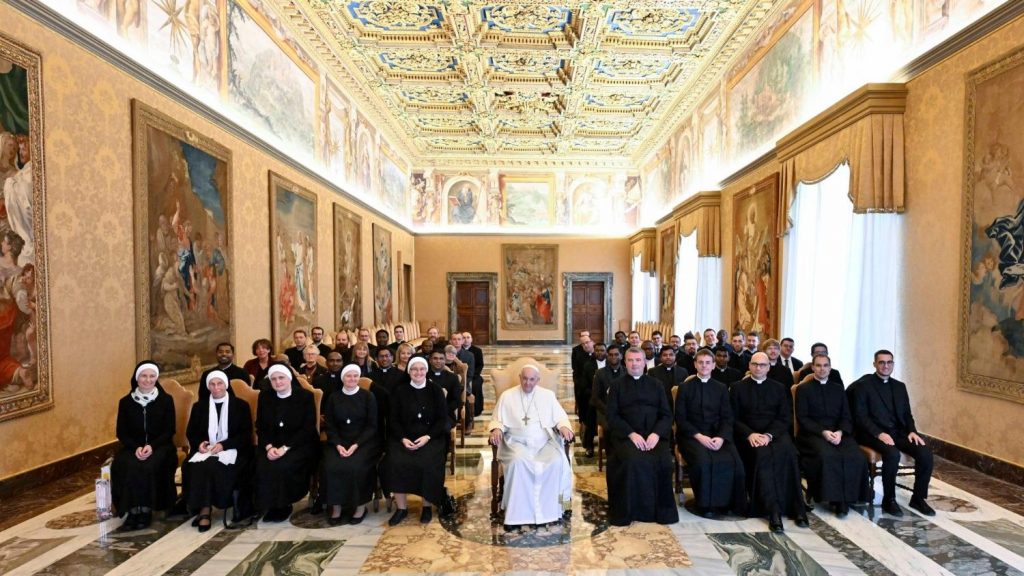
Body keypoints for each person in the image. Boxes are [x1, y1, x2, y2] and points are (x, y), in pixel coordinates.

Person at [488, 365, 574, 529]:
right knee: (517, 463)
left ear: (538, 380)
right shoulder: (507, 396)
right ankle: (516, 516)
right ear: (520, 378)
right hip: (516, 443)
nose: (528, 383)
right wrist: (497, 429)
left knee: (557, 461)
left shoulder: (547, 395)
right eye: (525, 379)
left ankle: (552, 511)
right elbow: (498, 419)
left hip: (544, 444)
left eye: (532, 379)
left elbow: (560, 417)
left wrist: (564, 426)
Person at [850, 350, 935, 516]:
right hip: (871, 433)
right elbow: (860, 416)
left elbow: (907, 414)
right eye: (881, 362)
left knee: (925, 453)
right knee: (892, 454)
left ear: (893, 364)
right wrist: (879, 434)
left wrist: (912, 431)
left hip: (897, 432)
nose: (886, 366)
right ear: (874, 364)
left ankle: (918, 499)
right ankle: (889, 500)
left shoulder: (899, 386)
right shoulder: (863, 386)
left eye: (889, 362)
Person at [731, 353, 807, 533]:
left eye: (762, 365)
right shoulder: (737, 388)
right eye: (755, 364)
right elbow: (732, 417)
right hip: (750, 435)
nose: (758, 368)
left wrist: (769, 435)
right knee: (762, 456)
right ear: (749, 366)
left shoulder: (779, 388)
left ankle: (796, 507)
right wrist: (750, 434)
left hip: (775, 433)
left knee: (789, 454)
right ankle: (772, 511)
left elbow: (785, 417)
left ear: (768, 367)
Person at [605, 347, 678, 526]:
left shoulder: (656, 384)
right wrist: (631, 434)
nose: (634, 364)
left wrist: (656, 434)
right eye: (630, 360)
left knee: (663, 461)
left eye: (638, 360)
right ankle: (630, 511)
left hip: (653, 435)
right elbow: (612, 416)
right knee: (633, 461)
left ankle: (660, 512)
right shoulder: (616, 386)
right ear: (625, 362)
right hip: (626, 435)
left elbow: (666, 415)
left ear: (645, 363)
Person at [675, 349, 747, 518]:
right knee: (703, 461)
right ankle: (706, 505)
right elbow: (681, 419)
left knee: (734, 461)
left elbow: (727, 417)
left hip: (717, 434)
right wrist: (700, 437)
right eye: (700, 362)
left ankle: (729, 504)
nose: (704, 366)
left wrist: (721, 437)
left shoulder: (721, 388)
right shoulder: (684, 388)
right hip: (692, 435)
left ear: (714, 365)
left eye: (708, 362)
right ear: (695, 364)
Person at [794, 354, 869, 517]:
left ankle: (850, 496)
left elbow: (846, 416)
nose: (822, 369)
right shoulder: (803, 389)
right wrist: (824, 432)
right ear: (813, 367)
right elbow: (803, 418)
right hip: (812, 434)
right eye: (818, 365)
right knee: (827, 455)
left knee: (856, 456)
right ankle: (836, 500)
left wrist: (840, 432)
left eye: (825, 365)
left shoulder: (838, 389)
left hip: (838, 432)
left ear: (830, 367)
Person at [112, 361, 177, 531]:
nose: (148, 380)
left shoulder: (166, 400)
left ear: (156, 378)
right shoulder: (125, 402)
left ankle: (146, 510)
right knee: (126, 464)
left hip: (160, 446)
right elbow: (121, 432)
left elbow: (169, 430)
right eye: (144, 376)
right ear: (137, 378)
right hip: (133, 447)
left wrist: (152, 446)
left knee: (149, 465)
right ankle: (132, 510)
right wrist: (136, 448)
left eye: (152, 376)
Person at [185, 371, 253, 532]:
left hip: (234, 449)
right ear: (207, 386)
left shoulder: (240, 406)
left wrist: (224, 445)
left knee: (211, 466)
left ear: (226, 385)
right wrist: (200, 444)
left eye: (220, 383)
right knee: (193, 465)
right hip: (207, 450)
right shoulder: (199, 407)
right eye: (212, 384)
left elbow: (245, 434)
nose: (216, 388)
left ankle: (209, 508)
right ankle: (204, 508)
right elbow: (191, 433)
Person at [385, 357, 450, 525]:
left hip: (430, 437)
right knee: (395, 461)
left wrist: (427, 437)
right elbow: (393, 420)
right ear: (409, 371)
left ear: (426, 371)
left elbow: (442, 419)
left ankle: (426, 506)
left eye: (422, 369)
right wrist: (403, 438)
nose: (418, 372)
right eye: (414, 369)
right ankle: (401, 508)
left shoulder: (436, 390)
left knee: (427, 463)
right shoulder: (399, 391)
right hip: (404, 437)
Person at [254, 364, 318, 522]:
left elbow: (307, 428)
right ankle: (268, 504)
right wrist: (269, 447)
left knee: (283, 465)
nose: (278, 382)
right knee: (262, 464)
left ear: (289, 378)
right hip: (271, 444)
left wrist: (284, 448)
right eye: (274, 379)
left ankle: (284, 504)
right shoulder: (265, 397)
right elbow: (260, 426)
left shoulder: (305, 396)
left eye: (281, 378)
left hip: (299, 444)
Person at [322, 365, 382, 525]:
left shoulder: (368, 396)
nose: (352, 379)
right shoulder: (333, 398)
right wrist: (338, 444)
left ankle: (360, 507)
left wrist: (356, 444)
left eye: (356, 376)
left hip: (364, 442)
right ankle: (336, 507)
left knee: (356, 466)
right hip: (339, 441)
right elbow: (330, 426)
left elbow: (372, 426)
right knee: (331, 466)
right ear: (342, 378)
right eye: (349, 376)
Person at [591, 345, 624, 441]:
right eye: (611, 355)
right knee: (610, 428)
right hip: (605, 411)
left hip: (623, 412)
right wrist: (609, 411)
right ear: (607, 356)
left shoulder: (627, 372)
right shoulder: (599, 373)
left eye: (616, 354)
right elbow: (595, 398)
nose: (613, 357)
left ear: (621, 356)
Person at [428, 349, 463, 427]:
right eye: (435, 358)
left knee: (442, 426)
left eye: (441, 359)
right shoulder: (424, 376)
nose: (438, 361)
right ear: (430, 360)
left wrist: (442, 410)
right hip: (426, 414)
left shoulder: (453, 378)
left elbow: (457, 401)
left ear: (445, 360)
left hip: (446, 414)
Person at [462, 331, 485, 417]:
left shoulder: (477, 351)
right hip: (462, 375)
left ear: (471, 339)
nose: (466, 339)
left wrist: (473, 375)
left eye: (468, 337)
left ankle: (477, 409)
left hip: (474, 375)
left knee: (476, 385)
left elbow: (480, 365)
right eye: (464, 338)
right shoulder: (458, 350)